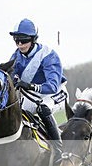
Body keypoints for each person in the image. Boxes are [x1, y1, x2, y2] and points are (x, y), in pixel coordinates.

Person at [8, 18, 67, 157]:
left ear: (33, 39)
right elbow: (11, 75)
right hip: (31, 95)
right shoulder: (16, 55)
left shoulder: (49, 55)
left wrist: (29, 85)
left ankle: (59, 150)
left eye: (24, 41)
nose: (20, 45)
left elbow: (52, 86)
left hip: (54, 93)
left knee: (43, 109)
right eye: (17, 41)